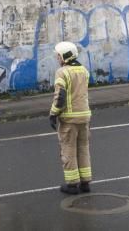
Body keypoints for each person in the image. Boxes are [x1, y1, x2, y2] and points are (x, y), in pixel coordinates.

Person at [48, 41, 92, 194]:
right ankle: (85, 183)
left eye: (58, 55)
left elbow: (60, 97)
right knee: (83, 148)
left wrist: (53, 114)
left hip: (69, 119)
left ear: (64, 56)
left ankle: (72, 184)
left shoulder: (62, 72)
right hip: (84, 116)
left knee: (69, 150)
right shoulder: (84, 70)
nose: (57, 58)